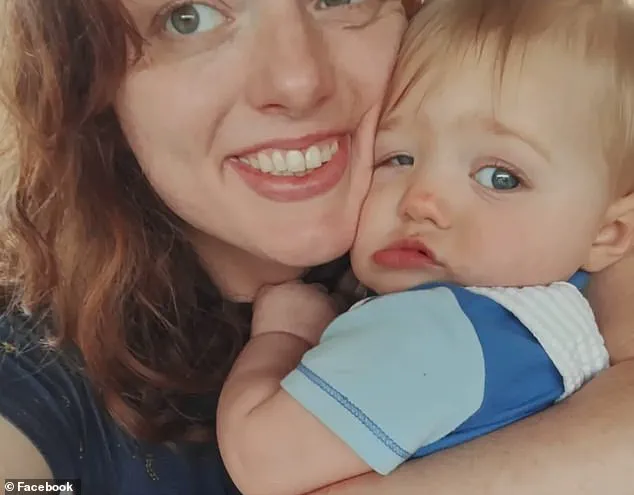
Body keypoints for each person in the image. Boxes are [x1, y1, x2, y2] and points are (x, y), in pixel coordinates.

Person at [0, 1, 632, 495]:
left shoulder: (544, 240)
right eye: (187, 16)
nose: (298, 80)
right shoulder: (32, 380)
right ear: (84, 78)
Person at [216, 1, 634, 494]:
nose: (421, 201)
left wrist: (284, 334)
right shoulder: (551, 327)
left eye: (500, 178)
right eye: (398, 158)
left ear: (608, 233)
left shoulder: (435, 333)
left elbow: (263, 461)